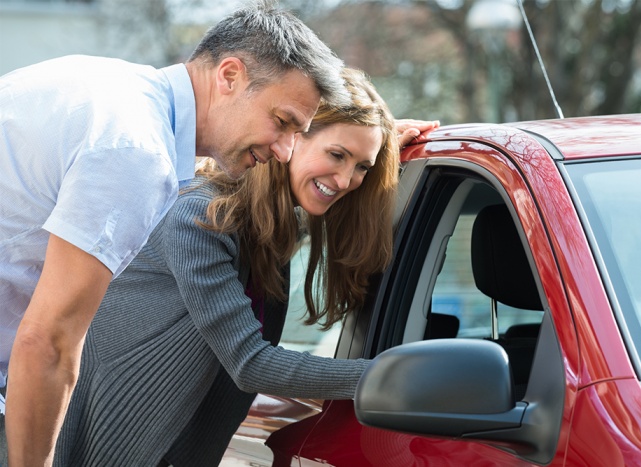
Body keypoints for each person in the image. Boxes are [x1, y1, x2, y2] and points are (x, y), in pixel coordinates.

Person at [0, 4, 351, 465]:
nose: (286, 151)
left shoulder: (106, 86)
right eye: (282, 122)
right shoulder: (136, 152)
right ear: (230, 76)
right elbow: (49, 341)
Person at [53, 68, 439, 466]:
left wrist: (380, 144)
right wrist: (402, 377)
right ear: (289, 140)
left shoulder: (268, 226)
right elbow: (249, 363)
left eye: (362, 167)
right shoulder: (198, 218)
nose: (345, 180)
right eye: (337, 155)